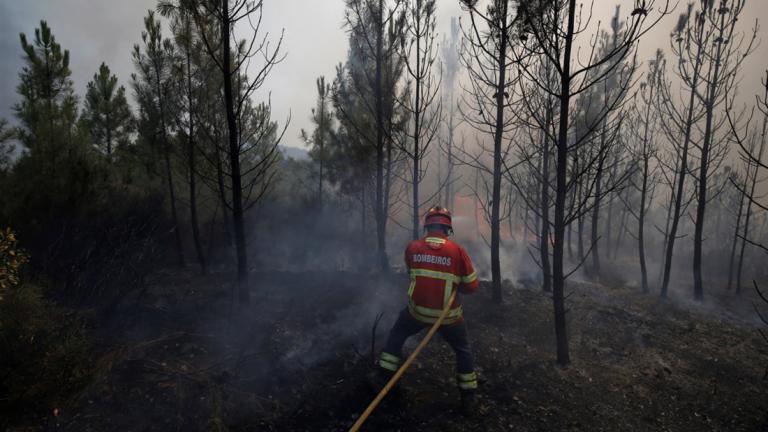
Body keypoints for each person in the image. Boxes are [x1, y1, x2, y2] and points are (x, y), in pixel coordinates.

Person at [375, 205, 480, 415]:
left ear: (427, 227)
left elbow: (412, 272)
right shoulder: (457, 252)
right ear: (447, 229)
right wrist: (456, 280)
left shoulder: (412, 248)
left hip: (417, 314)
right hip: (448, 318)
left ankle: (382, 378)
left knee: (397, 333)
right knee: (463, 349)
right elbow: (472, 287)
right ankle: (469, 397)